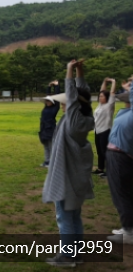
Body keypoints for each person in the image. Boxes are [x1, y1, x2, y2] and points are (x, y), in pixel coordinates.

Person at [42, 60, 95, 267]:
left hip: (67, 179)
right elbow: (83, 95)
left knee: (64, 218)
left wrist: (69, 70)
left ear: (72, 105)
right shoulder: (85, 117)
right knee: (75, 217)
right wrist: (80, 71)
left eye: (65, 102)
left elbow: (74, 97)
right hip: (77, 179)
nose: (63, 104)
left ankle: (67, 256)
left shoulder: (72, 122)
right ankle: (76, 254)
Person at [105, 78, 133, 244]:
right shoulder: (126, 112)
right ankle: (128, 227)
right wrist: (126, 88)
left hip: (121, 156)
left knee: (121, 194)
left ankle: (129, 231)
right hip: (118, 155)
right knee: (126, 193)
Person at [92, 78, 117, 178]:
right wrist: (105, 82)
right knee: (99, 151)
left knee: (105, 151)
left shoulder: (109, 105)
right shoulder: (100, 105)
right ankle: (100, 169)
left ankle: (110, 171)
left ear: (106, 97)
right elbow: (102, 90)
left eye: (102, 96)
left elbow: (112, 92)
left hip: (105, 131)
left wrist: (113, 82)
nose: (100, 97)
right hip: (97, 131)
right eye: (99, 96)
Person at [39, 80, 61, 167]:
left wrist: (56, 86)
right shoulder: (46, 107)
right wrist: (49, 86)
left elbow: (57, 98)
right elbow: (48, 96)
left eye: (49, 101)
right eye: (47, 101)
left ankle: (52, 162)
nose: (47, 102)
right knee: (45, 145)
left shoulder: (55, 108)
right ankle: (47, 161)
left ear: (52, 102)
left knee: (51, 146)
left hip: (50, 128)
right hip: (43, 128)